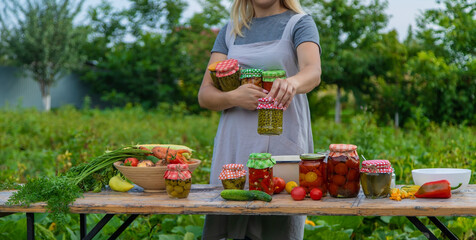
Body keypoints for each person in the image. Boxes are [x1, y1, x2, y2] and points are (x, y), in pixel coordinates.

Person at [198, 0, 321, 239]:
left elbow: (313, 71)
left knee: (278, 222)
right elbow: (205, 94)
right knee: (229, 223)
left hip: (281, 144)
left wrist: (292, 83)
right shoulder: (231, 30)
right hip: (235, 146)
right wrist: (233, 97)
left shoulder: (299, 23)